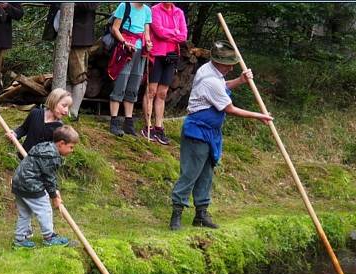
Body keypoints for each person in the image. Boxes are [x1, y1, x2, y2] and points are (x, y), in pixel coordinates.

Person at [169, 41, 273, 231]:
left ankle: (201, 214)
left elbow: (222, 86)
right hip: (197, 131)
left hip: (211, 133)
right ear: (217, 62)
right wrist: (259, 116)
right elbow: (229, 108)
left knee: (206, 174)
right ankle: (176, 213)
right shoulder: (209, 79)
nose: (231, 67)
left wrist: (240, 81)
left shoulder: (211, 72)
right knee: (191, 173)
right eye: (228, 64)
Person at [11, 126, 78, 248]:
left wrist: (55, 191)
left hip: (18, 182)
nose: (72, 150)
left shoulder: (44, 147)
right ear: (61, 144)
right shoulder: (52, 156)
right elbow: (48, 178)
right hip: (31, 185)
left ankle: (19, 240)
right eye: (71, 147)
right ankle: (49, 237)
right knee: (44, 209)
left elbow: (48, 175)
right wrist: (54, 197)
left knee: (25, 212)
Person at [42, 2, 99, 121]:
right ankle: (63, 111)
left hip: (79, 37)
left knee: (79, 76)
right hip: (61, 34)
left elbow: (90, 5)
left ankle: (73, 113)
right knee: (64, 76)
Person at [141, 2, 187, 145]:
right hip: (156, 54)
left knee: (162, 93)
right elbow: (159, 32)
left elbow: (184, 36)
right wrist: (175, 32)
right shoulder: (154, 10)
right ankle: (147, 126)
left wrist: (170, 33)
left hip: (171, 56)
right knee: (151, 91)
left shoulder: (179, 12)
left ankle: (158, 127)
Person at [107, 2, 153, 137]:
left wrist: (148, 44)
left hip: (140, 50)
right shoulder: (124, 6)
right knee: (121, 82)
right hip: (125, 49)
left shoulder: (147, 10)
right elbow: (115, 28)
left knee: (134, 84)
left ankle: (128, 122)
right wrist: (124, 42)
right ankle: (114, 122)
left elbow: (146, 33)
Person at [7, 88, 72, 160]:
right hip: (22, 156)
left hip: (38, 165)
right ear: (54, 101)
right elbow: (23, 129)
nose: (66, 111)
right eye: (64, 105)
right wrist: (15, 134)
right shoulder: (35, 113)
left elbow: (53, 151)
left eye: (69, 107)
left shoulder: (59, 128)